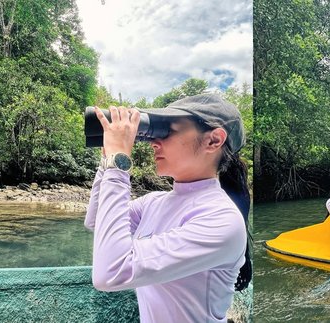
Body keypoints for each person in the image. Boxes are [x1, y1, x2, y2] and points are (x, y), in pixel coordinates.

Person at [84, 94, 251, 322]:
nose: (154, 142)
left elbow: (111, 273)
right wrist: (107, 159)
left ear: (213, 140)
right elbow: (95, 220)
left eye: (167, 130)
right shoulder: (153, 202)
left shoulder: (222, 220)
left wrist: (119, 162)